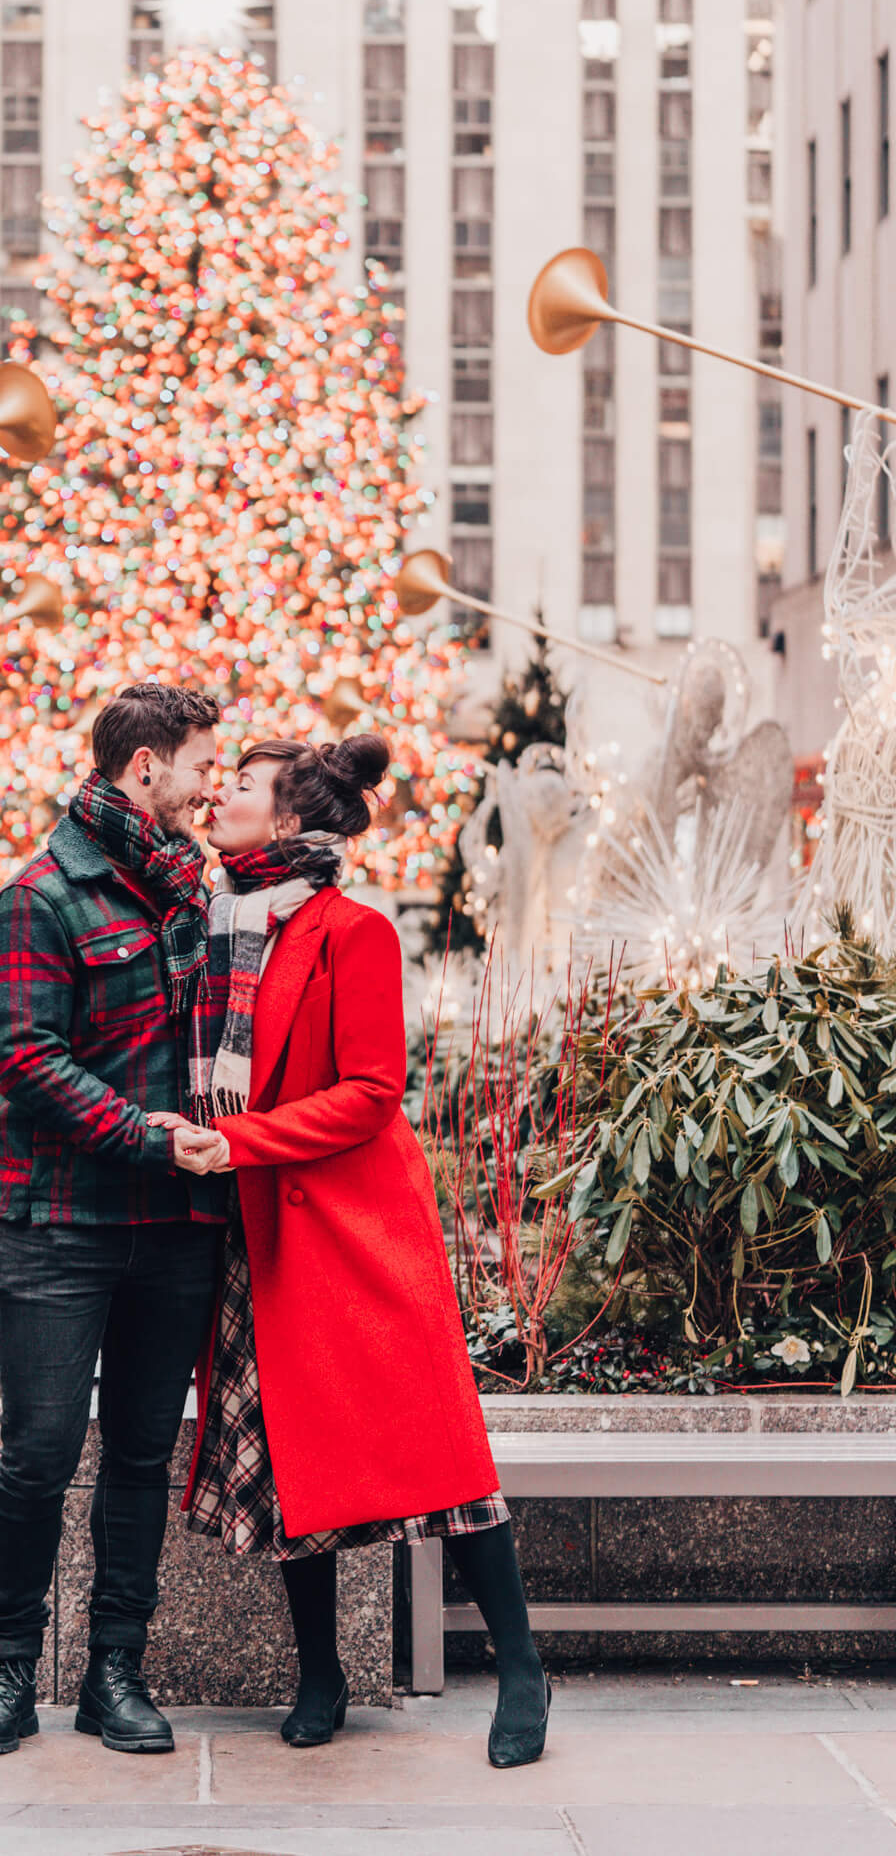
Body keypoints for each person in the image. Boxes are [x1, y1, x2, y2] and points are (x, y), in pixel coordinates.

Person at [162, 735, 551, 1765]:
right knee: (294, 1464)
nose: (217, 796)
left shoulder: (351, 930)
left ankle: (520, 1669)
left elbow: (372, 1092)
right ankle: (319, 1674)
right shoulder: (211, 922)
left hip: (352, 1230)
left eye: (238, 787)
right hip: (255, 1228)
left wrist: (235, 1139)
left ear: (288, 821)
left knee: (443, 1460)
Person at [0, 683, 230, 1759]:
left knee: (143, 1453)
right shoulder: (37, 897)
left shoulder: (190, 893)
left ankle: (115, 1670)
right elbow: (26, 1064)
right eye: (202, 767)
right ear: (146, 767)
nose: (211, 788)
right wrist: (147, 1135)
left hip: (174, 1229)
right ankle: (7, 1674)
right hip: (60, 1228)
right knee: (39, 1453)